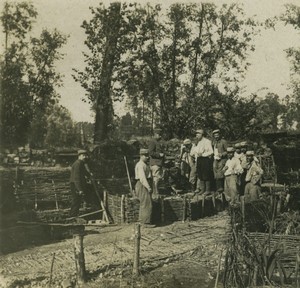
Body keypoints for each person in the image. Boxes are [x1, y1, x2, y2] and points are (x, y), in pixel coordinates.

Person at [135, 148, 154, 227]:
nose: (147, 157)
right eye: (145, 156)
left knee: (146, 202)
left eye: (148, 155)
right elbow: (142, 178)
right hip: (142, 184)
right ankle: (145, 223)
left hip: (145, 183)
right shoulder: (140, 165)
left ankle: (143, 221)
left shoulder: (144, 164)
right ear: (141, 156)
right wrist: (148, 187)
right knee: (146, 203)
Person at [190, 129, 214, 194]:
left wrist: (203, 154)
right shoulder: (198, 142)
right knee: (200, 174)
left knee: (206, 174)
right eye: (196, 134)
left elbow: (211, 152)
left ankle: (207, 190)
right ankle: (202, 189)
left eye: (198, 134)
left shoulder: (207, 141)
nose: (196, 135)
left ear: (202, 134)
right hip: (199, 159)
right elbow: (193, 152)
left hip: (205, 159)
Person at [69, 150, 90, 217]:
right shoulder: (77, 164)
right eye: (83, 156)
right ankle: (73, 217)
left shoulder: (81, 163)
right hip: (75, 185)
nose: (85, 157)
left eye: (86, 155)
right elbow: (76, 178)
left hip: (77, 185)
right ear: (79, 156)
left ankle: (74, 216)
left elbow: (84, 172)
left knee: (77, 201)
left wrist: (89, 175)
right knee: (76, 201)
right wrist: (79, 189)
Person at [149, 128, 164, 199]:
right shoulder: (152, 141)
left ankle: (156, 193)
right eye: (159, 134)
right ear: (155, 134)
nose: (160, 136)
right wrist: (159, 155)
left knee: (158, 178)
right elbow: (150, 152)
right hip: (155, 163)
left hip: (158, 163)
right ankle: (155, 194)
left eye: (161, 134)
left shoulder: (158, 142)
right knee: (156, 179)